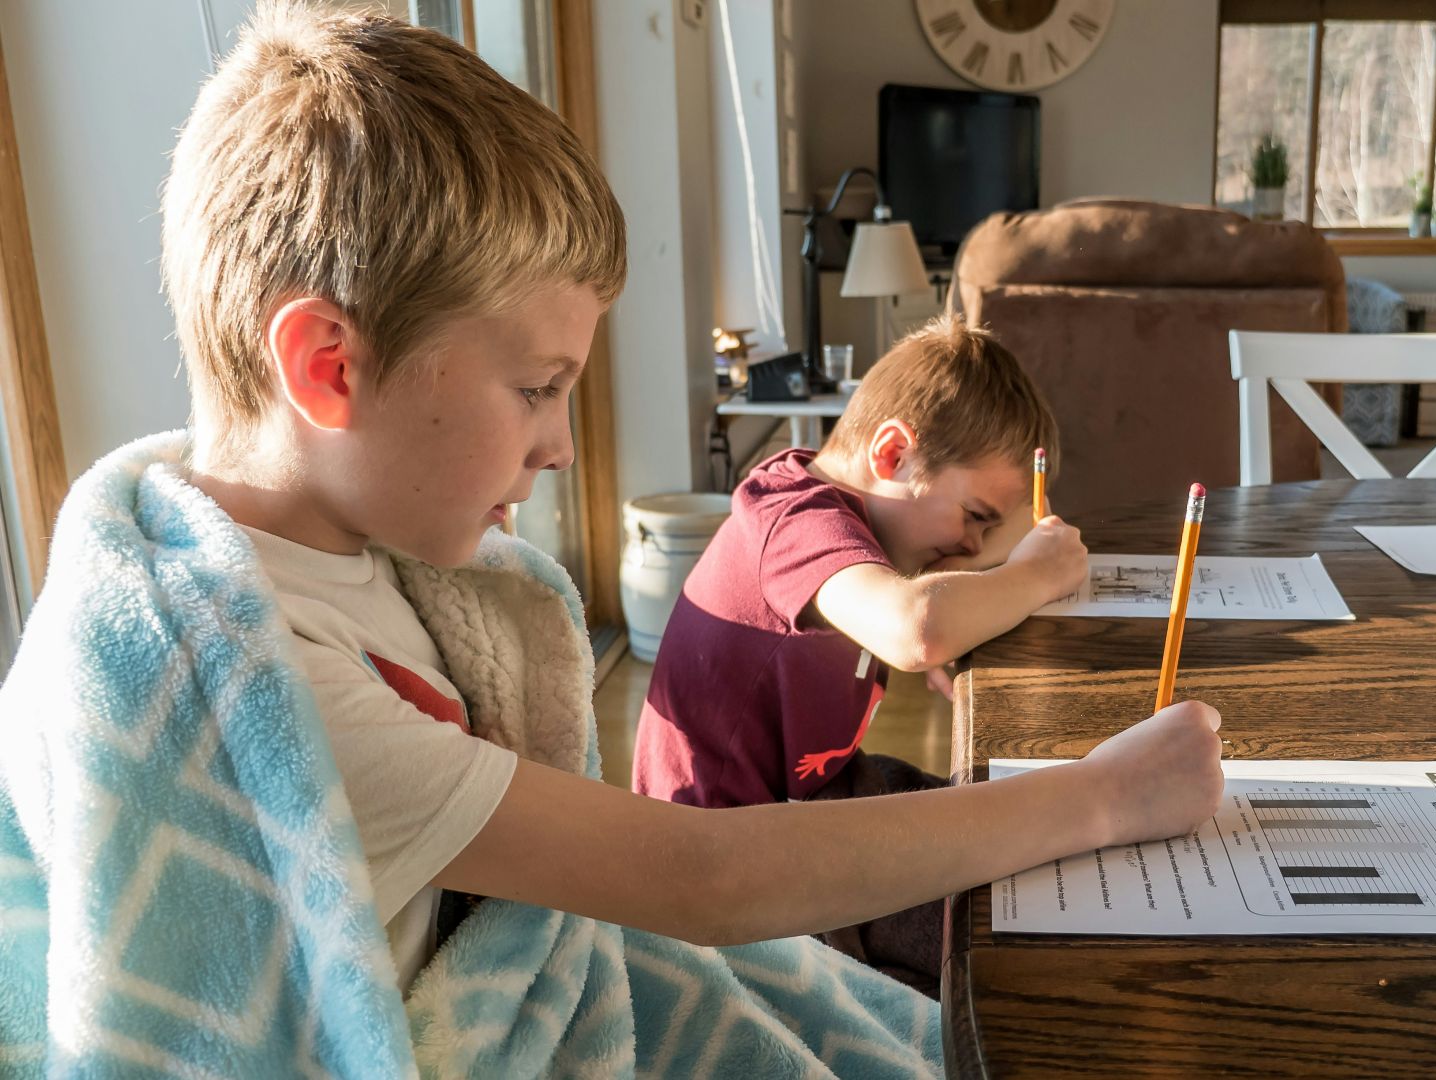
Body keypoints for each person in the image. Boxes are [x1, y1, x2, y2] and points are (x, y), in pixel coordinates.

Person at [0, 3, 1225, 1072]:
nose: (563, 449)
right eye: (538, 388)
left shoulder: (348, 552)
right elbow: (705, 879)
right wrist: (1102, 798)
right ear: (329, 366)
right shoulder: (259, 688)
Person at [633, 316, 1086, 990]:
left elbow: (932, 601)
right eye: (974, 517)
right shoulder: (794, 519)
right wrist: (1032, 577)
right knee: (1001, 932)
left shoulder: (858, 516)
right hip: (728, 872)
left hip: (817, 799)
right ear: (892, 453)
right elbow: (916, 629)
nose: (973, 547)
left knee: (1014, 843)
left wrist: (973, 590)